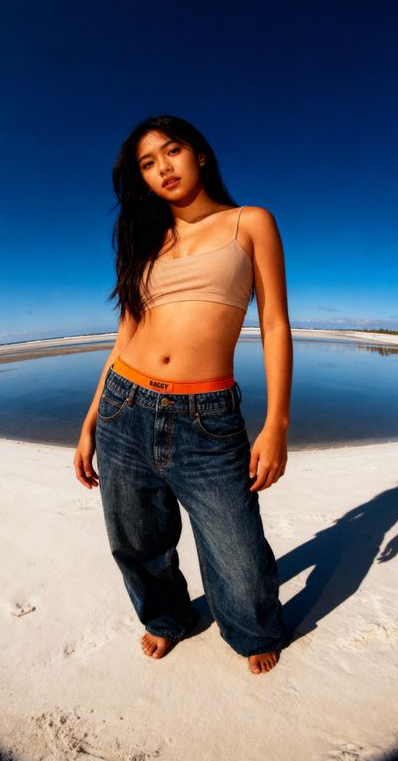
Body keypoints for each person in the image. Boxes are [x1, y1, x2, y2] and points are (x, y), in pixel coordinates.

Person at [73, 114, 293, 675]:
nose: (163, 168)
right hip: (125, 406)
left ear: (199, 154)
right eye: (148, 164)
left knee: (239, 555)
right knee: (136, 539)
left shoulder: (250, 222)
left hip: (207, 416)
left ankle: (252, 627)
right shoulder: (147, 243)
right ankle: (168, 618)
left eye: (171, 151)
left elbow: (273, 323)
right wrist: (91, 420)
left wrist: (276, 424)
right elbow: (124, 337)